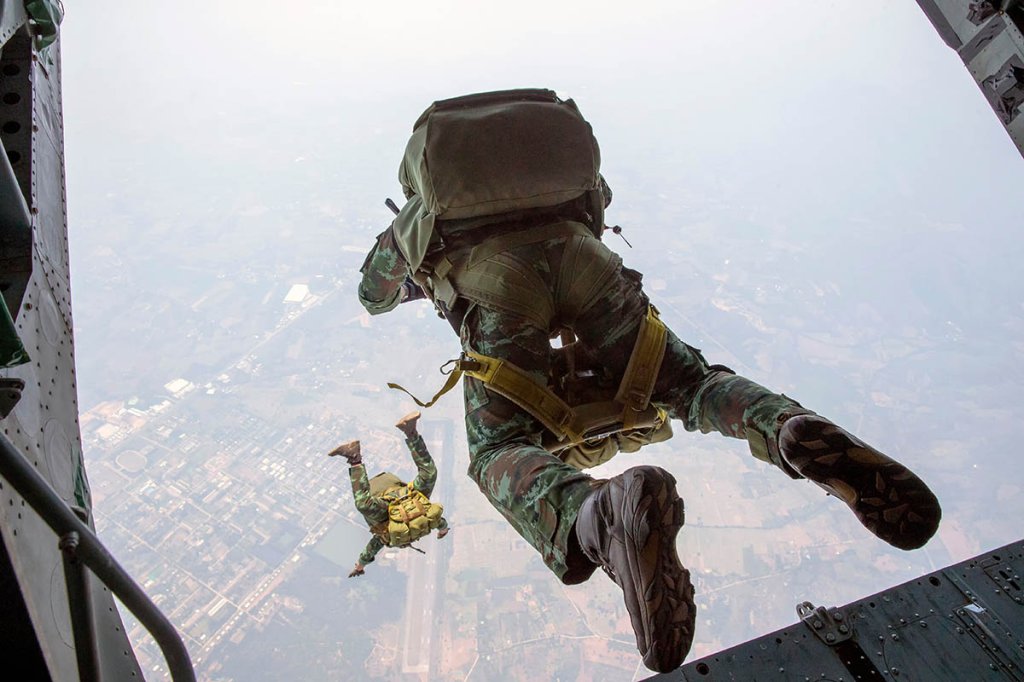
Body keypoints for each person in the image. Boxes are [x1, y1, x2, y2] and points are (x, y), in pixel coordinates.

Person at [356, 89, 941, 672]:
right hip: (589, 264)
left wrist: (415, 267)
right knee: (693, 386)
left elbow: (372, 296)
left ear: (423, 172)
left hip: (497, 288)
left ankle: (597, 515)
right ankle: (785, 426)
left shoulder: (415, 221)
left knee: (500, 451)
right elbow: (598, 205)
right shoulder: (558, 177)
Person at [328, 411, 449, 578]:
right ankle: (410, 431)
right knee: (430, 474)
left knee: (428, 474)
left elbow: (370, 551)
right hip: (409, 495)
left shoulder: (385, 536)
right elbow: (439, 521)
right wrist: (443, 530)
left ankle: (354, 457)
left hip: (385, 501)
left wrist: (360, 566)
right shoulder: (427, 522)